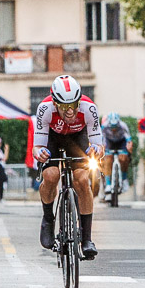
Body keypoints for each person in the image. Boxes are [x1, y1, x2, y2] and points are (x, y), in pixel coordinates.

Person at [33, 74, 104, 259]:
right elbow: (37, 146)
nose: (70, 111)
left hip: (77, 138)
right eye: (65, 106)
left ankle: (87, 239)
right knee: (51, 176)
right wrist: (39, 153)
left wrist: (96, 150)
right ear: (55, 103)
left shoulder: (89, 108)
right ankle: (48, 218)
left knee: (81, 180)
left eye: (74, 104)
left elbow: (99, 145)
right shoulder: (44, 109)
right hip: (53, 139)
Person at [100, 111, 132, 199]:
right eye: (112, 127)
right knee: (107, 159)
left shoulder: (123, 125)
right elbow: (101, 140)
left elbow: (129, 141)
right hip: (109, 142)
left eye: (115, 127)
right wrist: (102, 150)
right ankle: (108, 185)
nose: (114, 129)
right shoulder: (104, 126)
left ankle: (124, 179)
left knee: (123, 158)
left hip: (121, 142)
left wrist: (128, 150)